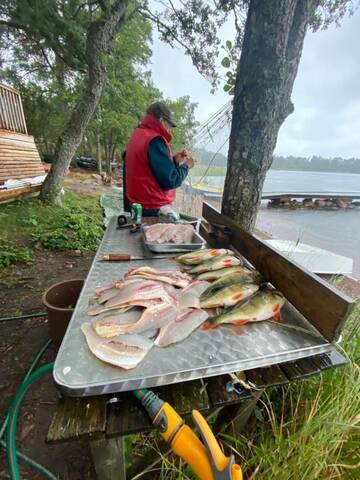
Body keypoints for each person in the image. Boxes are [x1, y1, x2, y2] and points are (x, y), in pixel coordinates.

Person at [125, 102, 196, 216]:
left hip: (137, 204)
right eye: (169, 125)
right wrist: (187, 165)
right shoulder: (155, 140)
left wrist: (174, 161)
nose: (169, 130)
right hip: (151, 208)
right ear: (162, 121)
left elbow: (147, 168)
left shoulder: (138, 134)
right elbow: (171, 180)